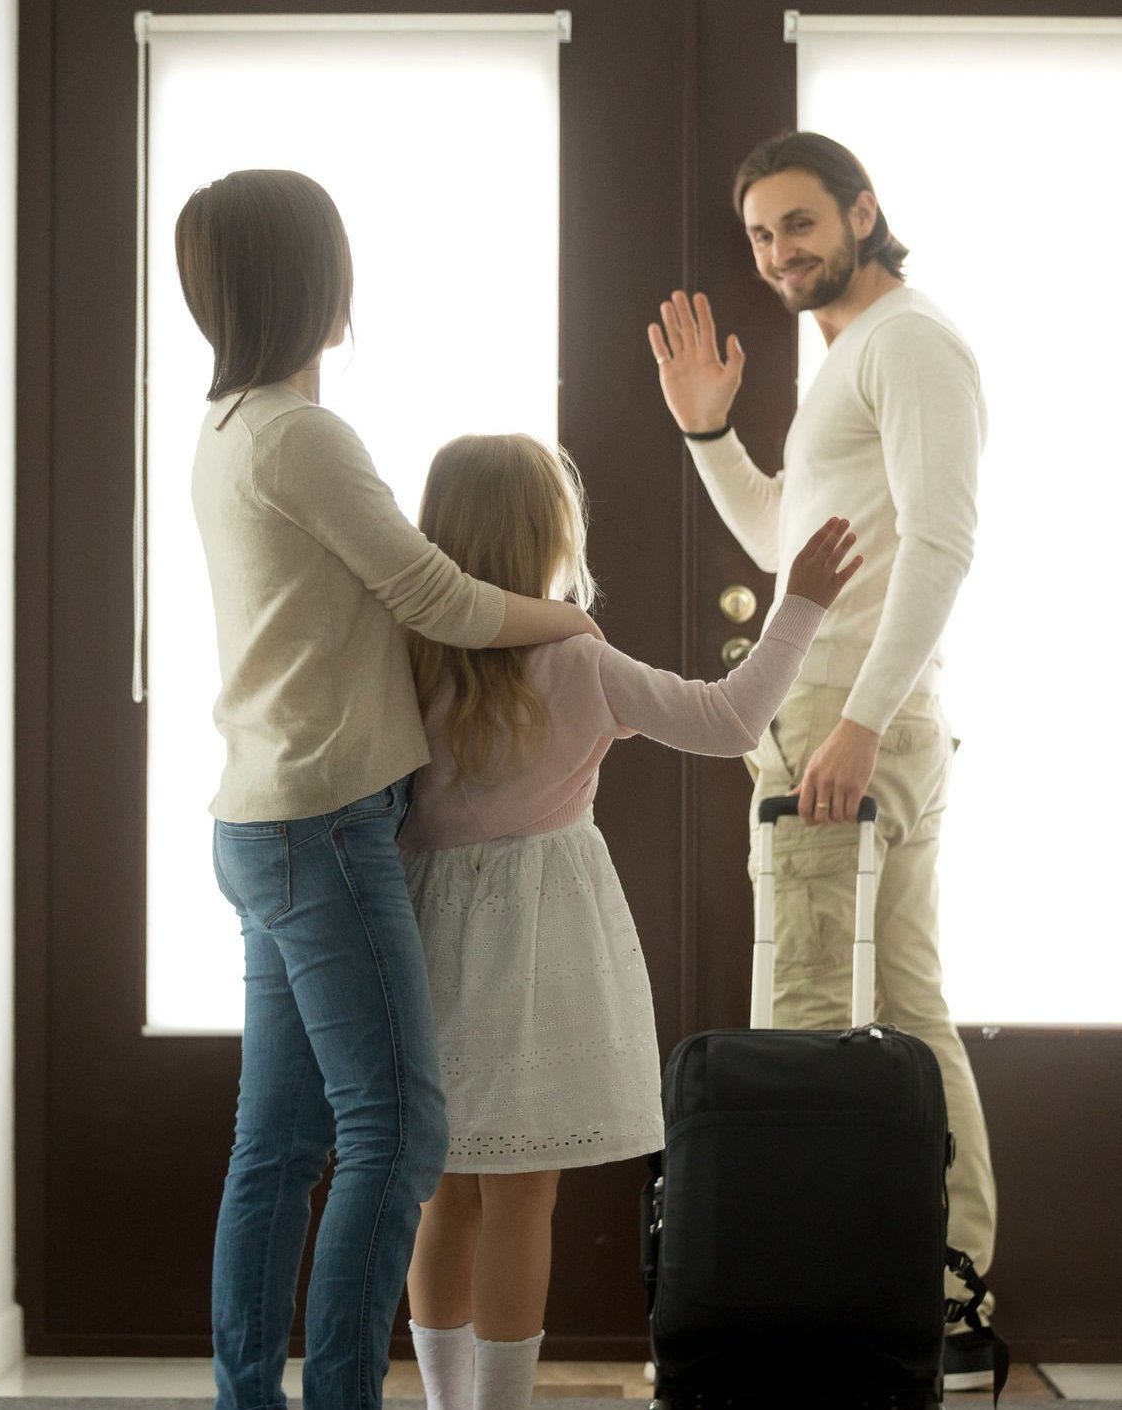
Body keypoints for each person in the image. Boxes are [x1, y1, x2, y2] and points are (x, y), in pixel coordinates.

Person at [176, 170, 604, 1410]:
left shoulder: (228, 432)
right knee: (397, 1134)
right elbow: (437, 598)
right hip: (319, 826)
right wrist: (568, 620)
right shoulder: (302, 435)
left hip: (262, 819)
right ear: (321, 280)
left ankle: (253, 1395)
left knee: (280, 1146)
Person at [390, 431, 860, 1410]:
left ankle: (442, 1405)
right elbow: (731, 720)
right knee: (524, 1196)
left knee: (443, 1193)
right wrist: (801, 604)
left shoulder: (402, 654)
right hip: (539, 942)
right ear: (546, 539)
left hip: (424, 933)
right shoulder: (574, 657)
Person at [646, 130, 999, 1388]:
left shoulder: (904, 342)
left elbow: (943, 547)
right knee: (905, 1012)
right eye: (759, 236)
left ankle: (798, 1342)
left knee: (804, 1024)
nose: (777, 252)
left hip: (856, 721)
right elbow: (792, 545)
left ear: (862, 212)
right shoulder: (854, 356)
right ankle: (942, 1308)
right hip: (859, 715)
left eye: (798, 224)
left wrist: (854, 719)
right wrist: (710, 436)